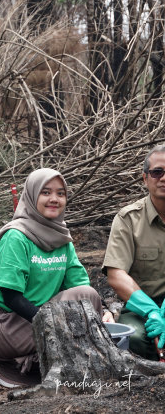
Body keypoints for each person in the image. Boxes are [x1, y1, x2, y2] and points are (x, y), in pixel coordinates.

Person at [0, 168, 112, 388]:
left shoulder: (61, 239)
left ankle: (39, 362)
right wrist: (53, 325)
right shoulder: (16, 236)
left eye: (60, 193)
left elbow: (80, 285)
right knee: (82, 304)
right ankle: (10, 366)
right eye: (46, 192)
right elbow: (11, 297)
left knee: (88, 296)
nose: (54, 199)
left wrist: (105, 313)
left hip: (32, 321)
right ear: (31, 195)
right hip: (1, 325)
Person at [104, 144, 165, 361]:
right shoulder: (128, 219)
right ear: (145, 178)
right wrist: (151, 311)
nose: (163, 178)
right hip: (140, 309)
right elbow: (116, 275)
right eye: (157, 172)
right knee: (135, 337)